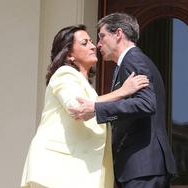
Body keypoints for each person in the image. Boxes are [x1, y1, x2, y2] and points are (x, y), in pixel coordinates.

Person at [21, 24, 149, 188]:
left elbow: (91, 106)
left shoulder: (86, 87)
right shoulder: (64, 74)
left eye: (91, 41)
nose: (93, 46)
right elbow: (77, 108)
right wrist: (123, 91)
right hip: (57, 170)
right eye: (84, 43)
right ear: (69, 55)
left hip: (79, 172)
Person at [69, 13, 177, 188]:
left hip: (142, 167)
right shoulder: (128, 62)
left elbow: (146, 104)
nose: (98, 44)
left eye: (102, 36)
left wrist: (97, 110)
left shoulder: (132, 59)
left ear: (118, 34)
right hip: (139, 167)